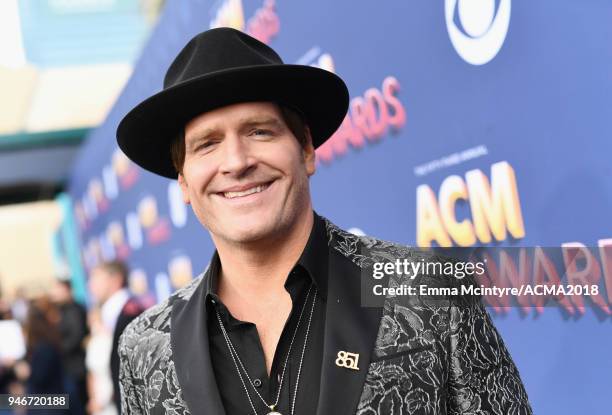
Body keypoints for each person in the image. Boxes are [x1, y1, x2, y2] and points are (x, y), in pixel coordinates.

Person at [116, 28, 533, 414]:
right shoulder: (144, 347)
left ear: (307, 151)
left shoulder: (430, 287)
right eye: (207, 144)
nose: (237, 162)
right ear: (185, 183)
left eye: (260, 132)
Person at [88, 261, 143, 413]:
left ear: (115, 279)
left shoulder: (131, 313)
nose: (90, 285)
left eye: (96, 278)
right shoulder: (106, 315)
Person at [51, 278, 89, 415]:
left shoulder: (74, 310)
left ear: (67, 290)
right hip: (68, 367)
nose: (53, 293)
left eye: (57, 289)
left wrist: (56, 350)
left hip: (76, 368)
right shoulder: (59, 310)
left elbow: (76, 336)